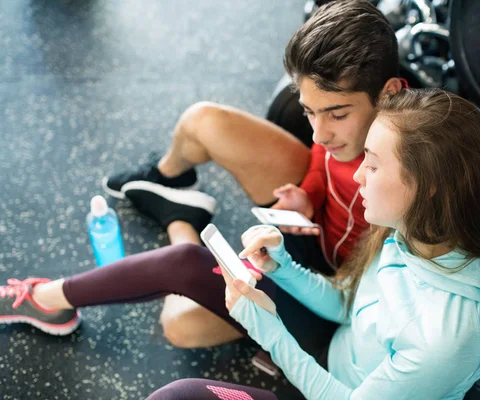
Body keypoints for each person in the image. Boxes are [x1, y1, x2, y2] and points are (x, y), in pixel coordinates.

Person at [0, 0, 404, 353]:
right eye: (309, 112)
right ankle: (169, 181)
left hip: (331, 302)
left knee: (180, 324)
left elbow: (376, 306)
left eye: (336, 114)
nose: (318, 132)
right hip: (307, 238)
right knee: (204, 121)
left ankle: (180, 219)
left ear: (389, 93)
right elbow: (321, 158)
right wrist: (307, 196)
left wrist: (287, 277)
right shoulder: (340, 131)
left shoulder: (415, 175)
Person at [146, 88, 480, 400]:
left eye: (375, 166)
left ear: (427, 187)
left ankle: (178, 219)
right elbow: (345, 306)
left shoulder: (448, 338)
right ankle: (174, 220)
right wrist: (282, 265)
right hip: (332, 351)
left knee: (176, 395)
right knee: (183, 262)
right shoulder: (409, 235)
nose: (357, 174)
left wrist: (270, 332)